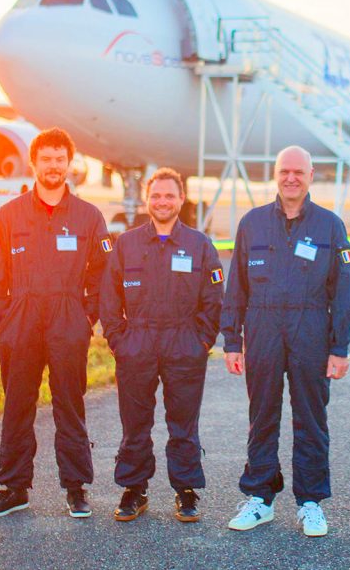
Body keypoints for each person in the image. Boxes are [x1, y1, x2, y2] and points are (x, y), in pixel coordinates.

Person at [220, 146, 350, 536]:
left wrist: (339, 347)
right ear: (275, 176)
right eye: (284, 172)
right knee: (262, 415)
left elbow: (341, 292)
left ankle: (310, 501)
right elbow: (236, 289)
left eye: (299, 171)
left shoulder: (330, 226)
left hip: (310, 326)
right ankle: (260, 497)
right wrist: (231, 340)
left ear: (311, 176)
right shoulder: (252, 223)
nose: (291, 178)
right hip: (261, 327)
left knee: (311, 417)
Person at [0, 127, 110, 518]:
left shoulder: (89, 216)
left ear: (69, 165)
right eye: (46, 159)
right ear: (33, 163)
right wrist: (5, 315)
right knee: (18, 403)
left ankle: (75, 487)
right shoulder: (8, 215)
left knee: (70, 404)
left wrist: (86, 314)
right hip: (20, 321)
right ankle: (14, 488)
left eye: (60, 159)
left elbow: (102, 273)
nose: (53, 166)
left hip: (68, 320)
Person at [99, 168, 224, 523]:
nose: (162, 202)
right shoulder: (127, 244)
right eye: (156, 196)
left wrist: (201, 340)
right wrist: (118, 340)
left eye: (169, 195)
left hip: (184, 343)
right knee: (135, 422)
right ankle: (134, 489)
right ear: (147, 200)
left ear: (181, 199)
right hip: (136, 342)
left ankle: (186, 490)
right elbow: (109, 297)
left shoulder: (200, 245)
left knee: (183, 422)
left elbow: (214, 298)